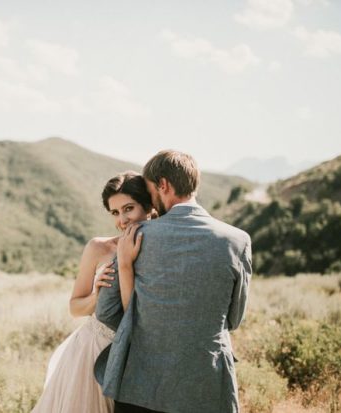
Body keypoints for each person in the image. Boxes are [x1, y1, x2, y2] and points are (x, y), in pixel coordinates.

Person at [95, 150, 252, 413]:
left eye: (149, 190)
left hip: (141, 384)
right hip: (207, 384)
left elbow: (106, 310)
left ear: (163, 185)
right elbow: (234, 319)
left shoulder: (137, 236)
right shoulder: (237, 240)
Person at [32, 171, 156, 413]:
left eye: (129, 208)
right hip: (93, 351)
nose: (122, 220)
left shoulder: (162, 249)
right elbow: (74, 307)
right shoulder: (99, 248)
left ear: (149, 206)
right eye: (115, 212)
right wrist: (97, 295)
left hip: (139, 356)